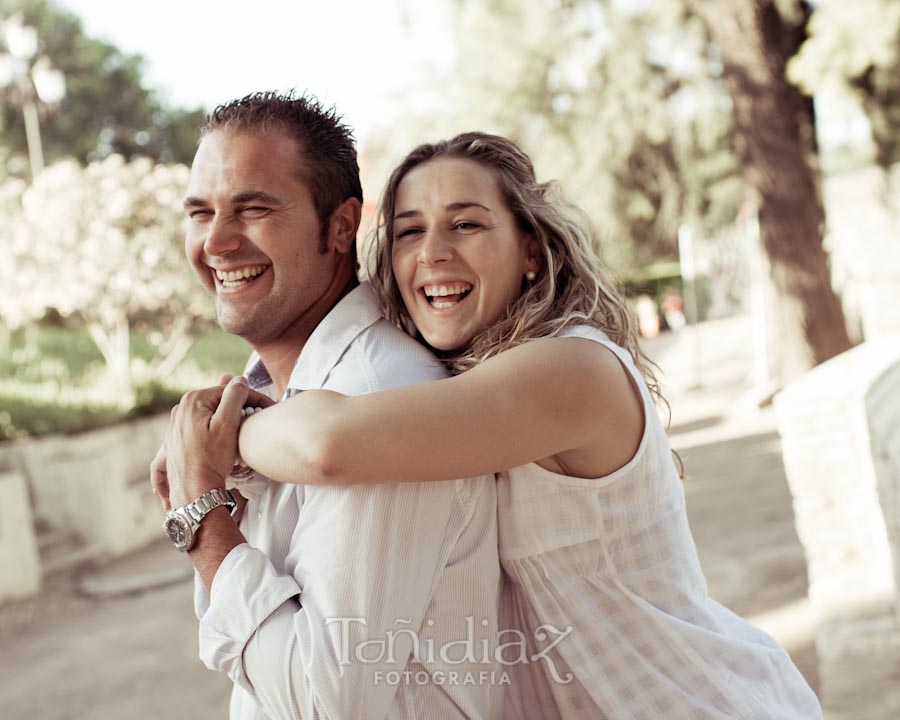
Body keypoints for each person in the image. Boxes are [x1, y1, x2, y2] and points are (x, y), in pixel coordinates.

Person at [223, 132, 824, 719]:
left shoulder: (570, 369)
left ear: (531, 249)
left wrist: (214, 442)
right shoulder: (457, 384)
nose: (432, 251)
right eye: (409, 231)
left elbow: (328, 443)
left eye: (466, 224)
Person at [151, 95, 501, 720]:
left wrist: (199, 515)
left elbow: (328, 702)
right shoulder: (274, 402)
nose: (217, 242)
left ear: (342, 226)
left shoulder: (380, 397)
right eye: (200, 213)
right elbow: (247, 649)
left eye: (253, 209)